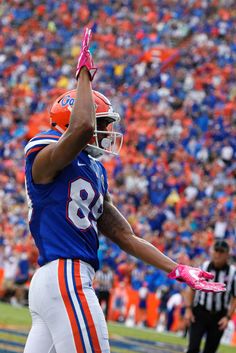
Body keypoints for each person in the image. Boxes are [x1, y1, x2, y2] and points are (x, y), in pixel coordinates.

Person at [23, 28, 226, 353]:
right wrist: (84, 75)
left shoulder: (95, 172)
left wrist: (176, 268)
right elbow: (83, 127)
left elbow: (126, 236)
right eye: (104, 123)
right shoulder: (45, 150)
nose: (105, 131)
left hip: (56, 281)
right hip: (65, 275)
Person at [184, 240, 236, 353]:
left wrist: (227, 317)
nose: (218, 254)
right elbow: (191, 288)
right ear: (212, 252)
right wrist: (188, 309)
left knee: (210, 350)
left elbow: (234, 297)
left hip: (219, 315)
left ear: (227, 254)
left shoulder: (233, 273)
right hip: (200, 312)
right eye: (216, 251)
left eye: (221, 252)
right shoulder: (203, 266)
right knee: (192, 348)